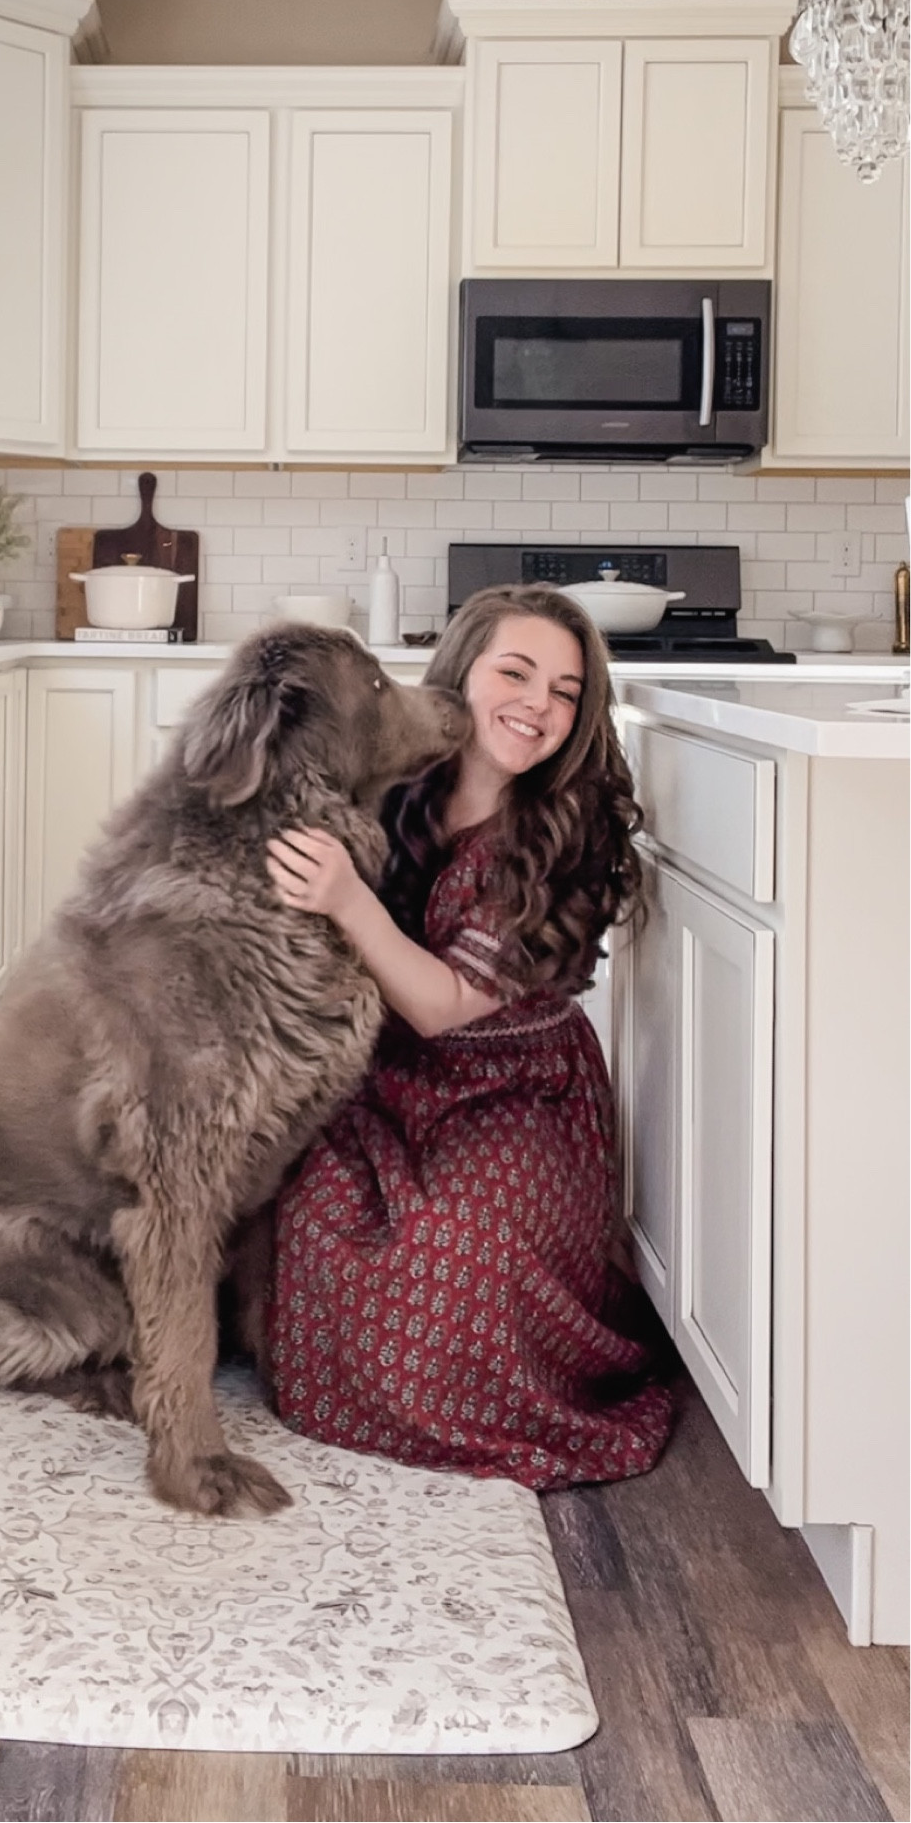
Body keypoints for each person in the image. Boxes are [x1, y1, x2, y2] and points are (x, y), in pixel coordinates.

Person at [262, 583, 674, 1488]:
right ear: (459, 677)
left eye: (565, 691)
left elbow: (441, 1005)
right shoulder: (392, 785)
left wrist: (346, 897)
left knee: (452, 1251)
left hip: (518, 1091)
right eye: (516, 673)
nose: (538, 705)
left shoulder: (566, 829)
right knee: (310, 1215)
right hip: (384, 1080)